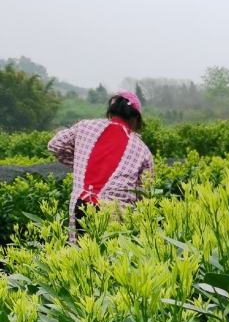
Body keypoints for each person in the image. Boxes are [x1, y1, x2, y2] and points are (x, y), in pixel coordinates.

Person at [47, 90, 154, 239]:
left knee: (78, 256)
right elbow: (145, 195)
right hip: (114, 215)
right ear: (135, 118)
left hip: (80, 204)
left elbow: (54, 145)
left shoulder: (85, 127)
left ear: (111, 111)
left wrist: (79, 162)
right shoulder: (142, 150)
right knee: (108, 259)